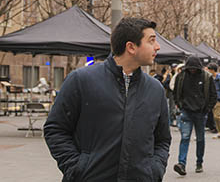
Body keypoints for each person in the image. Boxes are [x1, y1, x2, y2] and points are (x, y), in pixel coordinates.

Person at [44, 17, 170, 181]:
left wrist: (154, 170)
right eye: (151, 41)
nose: (157, 47)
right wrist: (77, 168)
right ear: (131, 47)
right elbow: (55, 129)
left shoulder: (155, 89)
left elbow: (162, 139)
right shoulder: (81, 80)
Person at [172, 56, 218, 175]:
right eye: (190, 68)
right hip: (186, 111)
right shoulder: (181, 76)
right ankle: (181, 163)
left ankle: (199, 162)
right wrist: (180, 105)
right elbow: (176, 92)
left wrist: (207, 109)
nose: (192, 70)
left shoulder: (206, 77)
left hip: (200, 113)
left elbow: (213, 95)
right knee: (185, 137)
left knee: (200, 139)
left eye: (194, 68)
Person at [206, 63, 220, 138]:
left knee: (217, 115)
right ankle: (219, 132)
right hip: (214, 100)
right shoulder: (212, 78)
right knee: (214, 116)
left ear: (212, 70)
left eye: (209, 69)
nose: (208, 71)